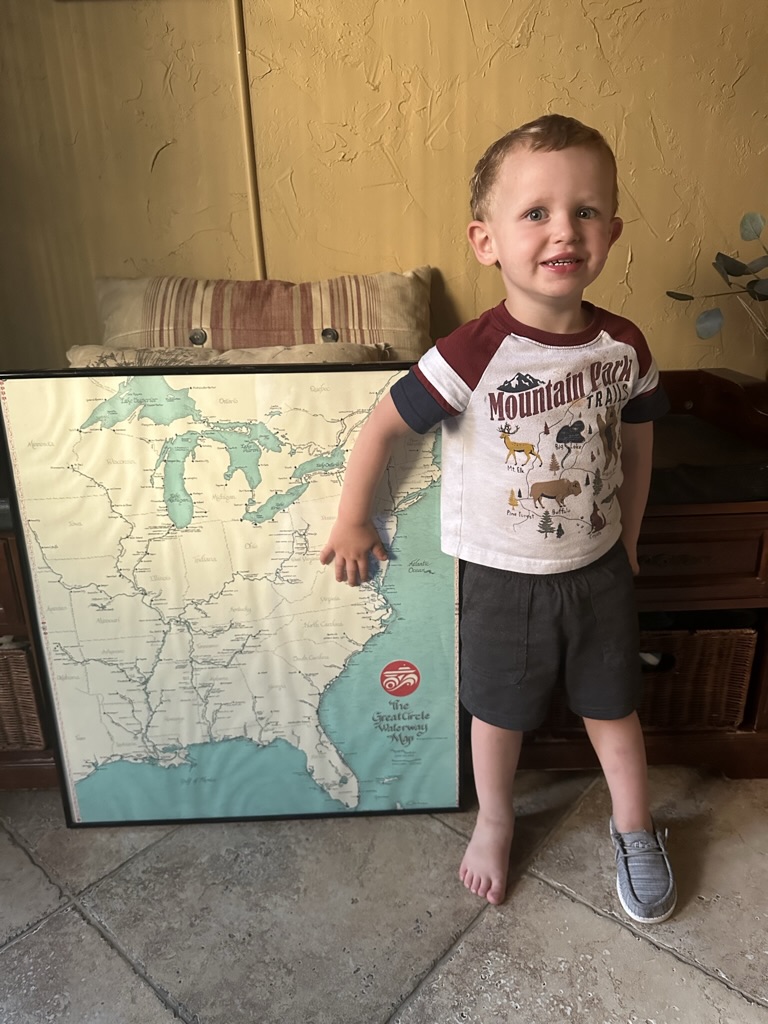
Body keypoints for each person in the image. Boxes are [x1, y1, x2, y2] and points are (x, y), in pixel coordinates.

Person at [319, 113, 676, 925]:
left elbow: (641, 434)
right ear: (487, 241)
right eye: (537, 212)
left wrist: (631, 536)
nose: (565, 230)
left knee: (613, 704)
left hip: (599, 570)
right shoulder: (470, 352)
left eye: (586, 211)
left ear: (613, 232)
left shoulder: (623, 345)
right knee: (497, 712)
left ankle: (634, 825)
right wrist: (352, 518)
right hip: (501, 577)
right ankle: (496, 820)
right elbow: (384, 424)